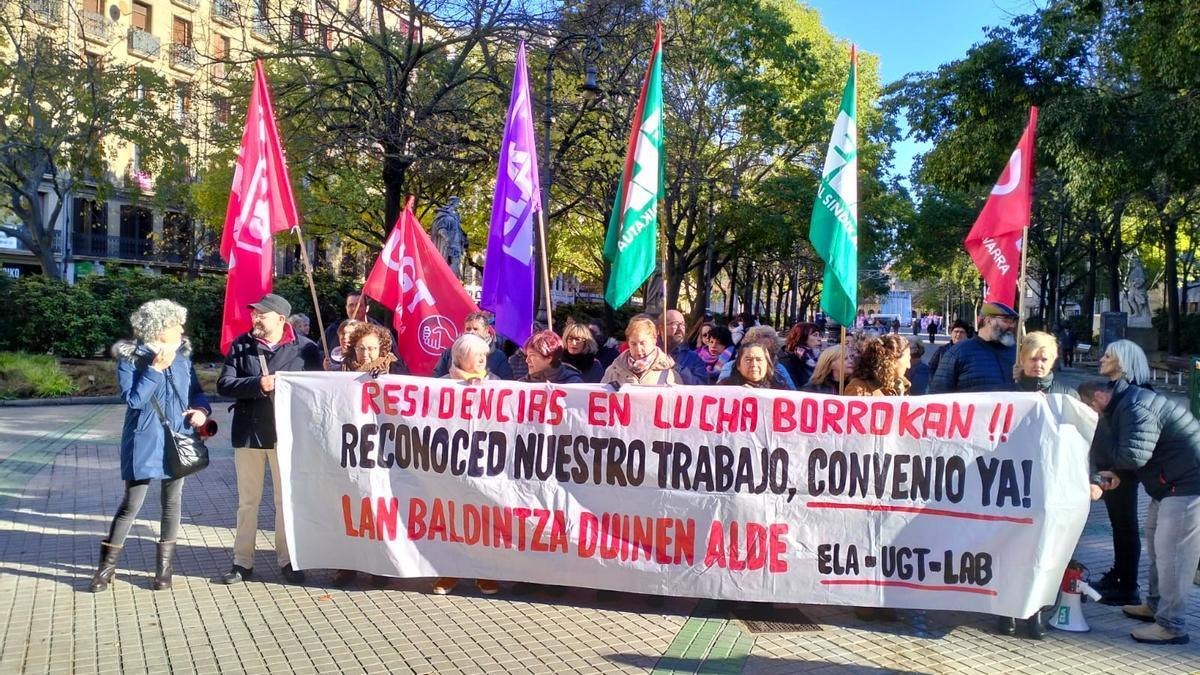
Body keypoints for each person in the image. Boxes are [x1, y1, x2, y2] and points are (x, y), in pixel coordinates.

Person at [90, 300, 212, 593]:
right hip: (144, 439)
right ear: (159, 330)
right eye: (176, 324)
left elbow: (197, 392)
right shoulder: (132, 359)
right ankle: (105, 570)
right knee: (131, 504)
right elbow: (133, 400)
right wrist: (155, 370)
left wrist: (201, 411)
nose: (182, 329)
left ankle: (164, 571)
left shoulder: (183, 357)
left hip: (177, 437)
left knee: (172, 503)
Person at [217, 293, 322, 585]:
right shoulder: (242, 345)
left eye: (261, 314)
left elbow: (318, 390)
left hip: (287, 436)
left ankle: (288, 560)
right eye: (254, 313)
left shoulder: (306, 349)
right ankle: (242, 562)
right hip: (249, 434)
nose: (255, 318)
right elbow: (224, 385)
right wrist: (257, 384)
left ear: (279, 319)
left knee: (285, 501)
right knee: (247, 501)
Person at [1096, 360, 1200, 644]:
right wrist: (1115, 470)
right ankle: (1155, 606)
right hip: (1169, 485)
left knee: (1173, 557)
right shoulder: (1128, 402)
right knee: (1158, 549)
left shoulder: (1133, 407)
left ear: (1100, 398)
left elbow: (1133, 455)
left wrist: (1109, 465)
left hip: (1186, 486)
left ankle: (1172, 625)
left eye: (1091, 410)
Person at [1087, 339, 1153, 607]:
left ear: (1124, 363)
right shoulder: (1115, 389)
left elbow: (1133, 440)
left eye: (1108, 356)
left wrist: (1115, 470)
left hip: (1122, 470)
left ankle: (1127, 585)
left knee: (1125, 526)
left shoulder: (1137, 393)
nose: (1102, 359)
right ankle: (1120, 575)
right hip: (1111, 468)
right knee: (1120, 526)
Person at [928, 302, 1018, 394]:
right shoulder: (958, 352)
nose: (1012, 326)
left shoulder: (1017, 352)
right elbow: (938, 394)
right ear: (988, 320)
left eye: (1013, 321)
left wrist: (1025, 376)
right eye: (1006, 321)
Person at [430, 311, 513, 379]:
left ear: (486, 330)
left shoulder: (498, 356)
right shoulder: (449, 353)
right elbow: (437, 380)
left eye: (476, 329)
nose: (471, 332)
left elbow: (505, 383)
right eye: (468, 329)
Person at [603, 317, 681, 385]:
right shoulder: (613, 371)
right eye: (633, 344)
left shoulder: (670, 372)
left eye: (643, 343)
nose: (638, 349)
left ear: (654, 340)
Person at [717, 326, 796, 389]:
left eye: (759, 359)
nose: (754, 364)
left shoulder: (780, 377)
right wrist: (738, 392)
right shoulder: (729, 368)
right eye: (748, 359)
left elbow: (792, 396)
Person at [844, 335, 911, 397]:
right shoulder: (859, 389)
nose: (909, 366)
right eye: (908, 358)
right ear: (893, 360)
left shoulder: (903, 386)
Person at [1013, 332, 1076, 397]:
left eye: (1044, 360)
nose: (1038, 365)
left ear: (1052, 361)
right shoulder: (1005, 394)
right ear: (1022, 359)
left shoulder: (1068, 395)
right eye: (1033, 359)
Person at [664, 309, 710, 385]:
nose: (680, 328)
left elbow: (702, 387)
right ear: (661, 328)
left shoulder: (695, 358)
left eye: (682, 324)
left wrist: (676, 367)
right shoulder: (649, 354)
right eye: (674, 323)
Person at [779, 323, 822, 389]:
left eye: (819, 335)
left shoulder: (819, 357)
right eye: (815, 335)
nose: (819, 339)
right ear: (802, 337)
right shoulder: (789, 360)